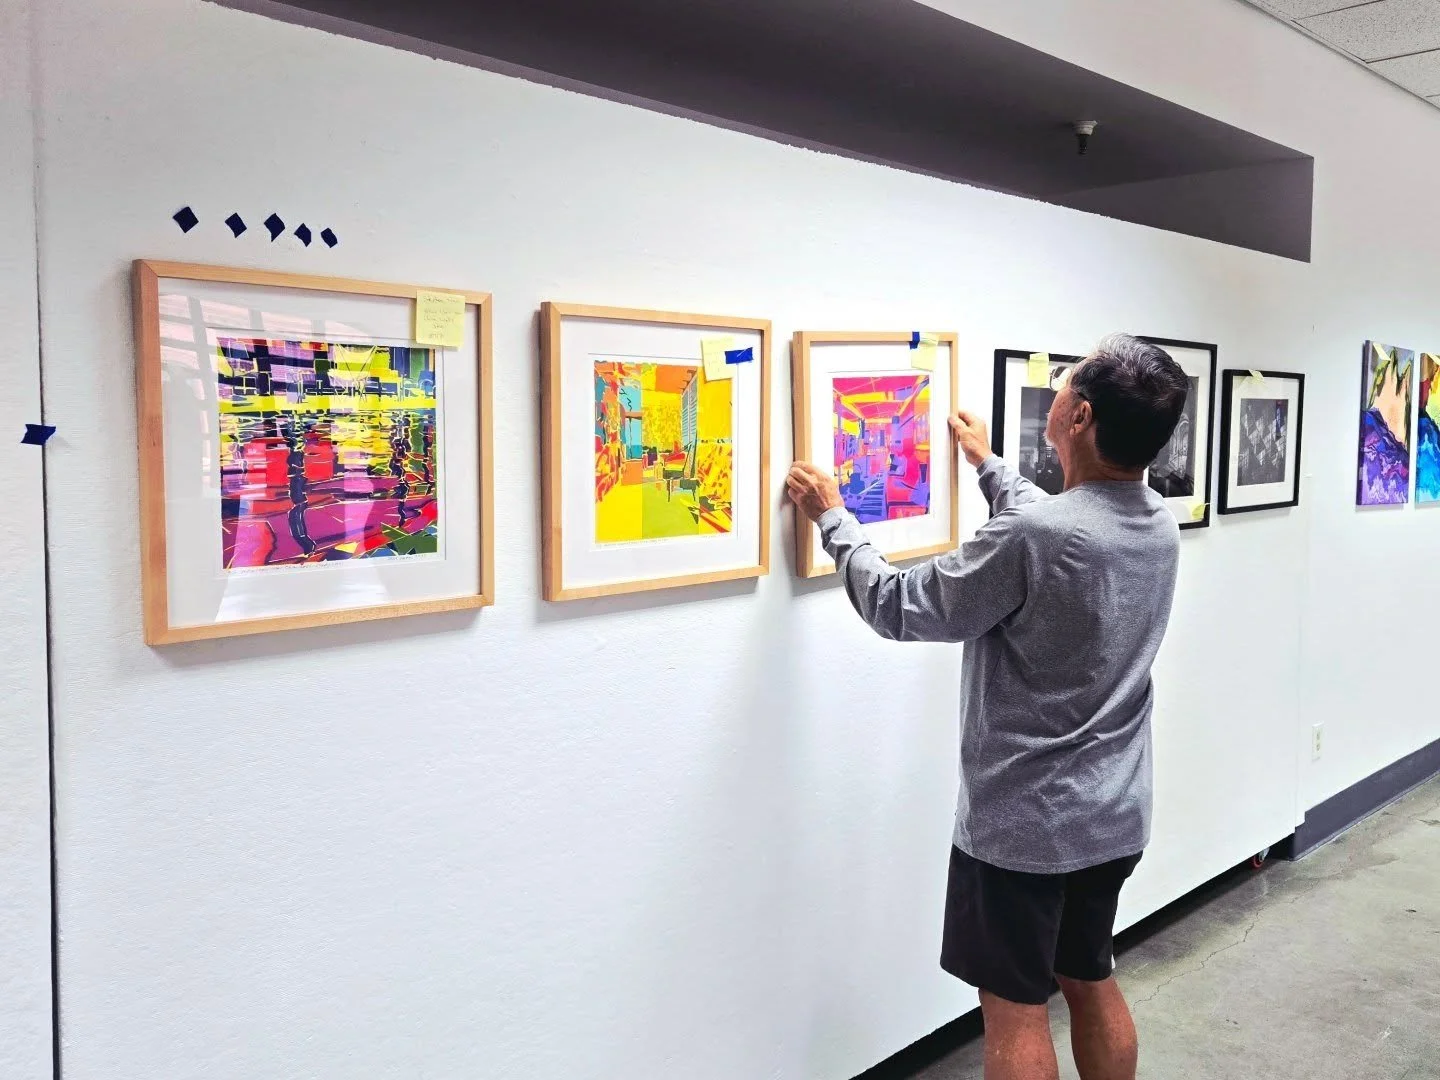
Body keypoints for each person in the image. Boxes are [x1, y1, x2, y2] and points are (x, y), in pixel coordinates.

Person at [787, 334, 1190, 1080]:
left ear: (1079, 418)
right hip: (1114, 813)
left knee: (1014, 1008)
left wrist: (833, 516)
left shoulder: (1041, 536)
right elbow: (1059, 521)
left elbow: (901, 606)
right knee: (1090, 976)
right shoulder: (1155, 523)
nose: (1057, 395)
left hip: (1025, 829)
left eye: (1064, 387)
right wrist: (987, 465)